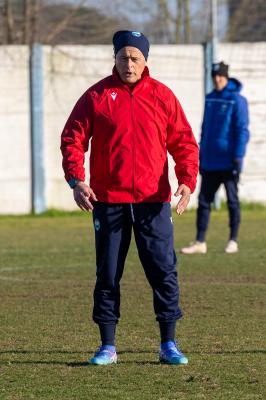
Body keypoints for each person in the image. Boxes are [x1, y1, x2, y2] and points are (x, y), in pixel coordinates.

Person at [61, 30, 199, 365]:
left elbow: (184, 142)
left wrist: (186, 180)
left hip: (153, 202)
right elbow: (73, 139)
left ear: (146, 61)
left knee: (163, 271)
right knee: (107, 273)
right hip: (108, 201)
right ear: (115, 59)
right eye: (123, 57)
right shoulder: (96, 96)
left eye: (135, 57)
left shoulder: (162, 96)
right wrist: (77, 180)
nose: (129, 63)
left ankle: (169, 344)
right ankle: (107, 346)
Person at [181, 61, 249, 255]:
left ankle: (233, 240)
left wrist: (238, 156)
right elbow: (205, 130)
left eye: (220, 76)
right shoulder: (210, 98)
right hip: (210, 161)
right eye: (215, 76)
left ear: (226, 77)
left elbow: (242, 130)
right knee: (203, 201)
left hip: (229, 162)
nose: (217, 79)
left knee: (232, 202)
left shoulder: (237, 100)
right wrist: (200, 155)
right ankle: (200, 242)